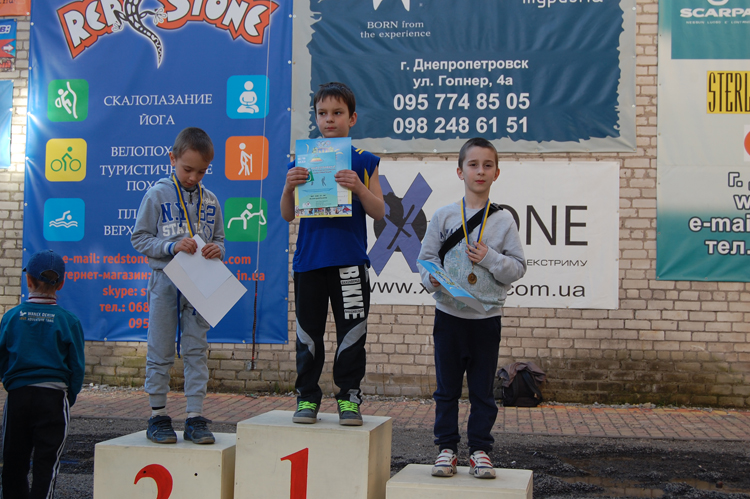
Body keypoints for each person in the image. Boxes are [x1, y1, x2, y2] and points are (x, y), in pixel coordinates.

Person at [417, 137, 526, 479]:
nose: (480, 171)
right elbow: (426, 260)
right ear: (459, 170)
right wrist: (431, 280)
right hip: (448, 317)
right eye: (473, 164)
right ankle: (447, 449)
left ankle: (480, 450)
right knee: (446, 390)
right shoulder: (444, 215)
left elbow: (518, 268)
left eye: (487, 165)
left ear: (497, 172)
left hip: (486, 320)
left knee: (482, 391)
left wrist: (491, 258)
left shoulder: (504, 221)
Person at [281, 82, 385, 426]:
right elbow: (286, 214)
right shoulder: (303, 160)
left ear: (351, 118)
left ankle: (349, 398)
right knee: (308, 334)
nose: (329, 120)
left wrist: (357, 187)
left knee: (352, 333)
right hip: (309, 262)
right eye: (322, 114)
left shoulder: (365, 162)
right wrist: (288, 186)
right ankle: (307, 397)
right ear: (315, 118)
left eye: (337, 113)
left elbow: (380, 211)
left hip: (350, 263)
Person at [131, 127, 225, 444]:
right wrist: (170, 247)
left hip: (199, 286)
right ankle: (157, 415)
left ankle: (195, 416)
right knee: (160, 350)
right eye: (187, 169)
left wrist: (218, 250)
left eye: (201, 171)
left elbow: (219, 240)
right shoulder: (157, 195)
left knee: (196, 351)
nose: (193, 177)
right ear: (172, 159)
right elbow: (139, 238)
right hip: (165, 283)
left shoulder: (211, 200)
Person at [0, 250, 85, 498]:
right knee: (46, 465)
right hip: (53, 399)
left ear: (28, 281)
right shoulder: (69, 321)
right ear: (61, 283)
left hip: (18, 397)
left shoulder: (12, 317)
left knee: (13, 462)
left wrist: (11, 382)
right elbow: (77, 367)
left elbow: (3, 358)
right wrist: (68, 398)